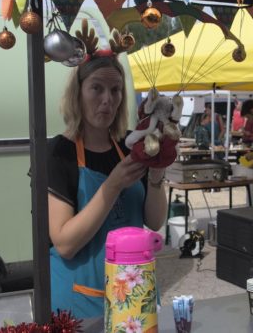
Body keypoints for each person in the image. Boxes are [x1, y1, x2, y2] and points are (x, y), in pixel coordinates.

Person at [46, 49, 167, 318]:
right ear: (78, 93)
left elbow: (155, 221)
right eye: (96, 88)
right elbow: (65, 244)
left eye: (115, 90)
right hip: (79, 302)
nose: (107, 100)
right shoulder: (59, 153)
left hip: (134, 297)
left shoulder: (130, 145)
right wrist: (112, 186)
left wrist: (157, 174)